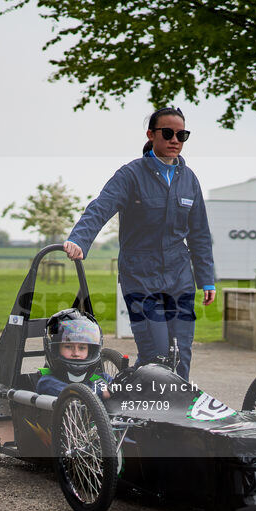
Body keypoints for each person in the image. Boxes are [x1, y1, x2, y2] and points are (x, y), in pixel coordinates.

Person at [63, 107, 215, 380]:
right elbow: (101, 208)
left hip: (179, 274)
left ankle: (173, 412)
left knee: (181, 351)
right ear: (151, 134)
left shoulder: (189, 179)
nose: (175, 140)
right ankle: (136, 400)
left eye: (182, 134)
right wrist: (79, 239)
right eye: (167, 133)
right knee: (155, 351)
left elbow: (200, 233)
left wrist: (207, 279)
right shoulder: (131, 175)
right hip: (141, 275)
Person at [36, 309, 111, 400]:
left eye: (82, 348)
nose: (76, 353)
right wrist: (103, 392)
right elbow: (71, 394)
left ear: (91, 350)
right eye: (68, 347)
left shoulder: (102, 379)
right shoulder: (47, 383)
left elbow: (124, 391)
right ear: (55, 349)